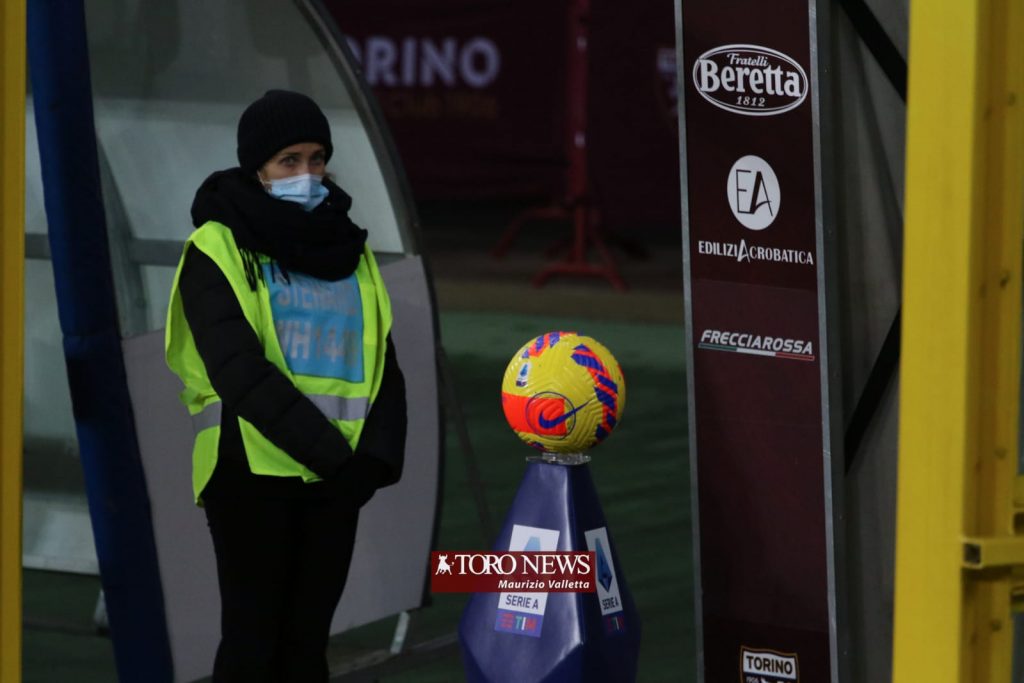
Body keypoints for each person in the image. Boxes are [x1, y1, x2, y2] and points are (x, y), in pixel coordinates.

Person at [165, 89, 406, 682]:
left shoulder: (349, 247)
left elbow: (381, 362)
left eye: (317, 158)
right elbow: (239, 371)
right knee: (253, 645)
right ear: (258, 167)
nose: (307, 174)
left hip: (335, 480)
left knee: (306, 650)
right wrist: (336, 460)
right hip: (249, 475)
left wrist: (373, 463)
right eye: (288, 161)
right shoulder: (215, 247)